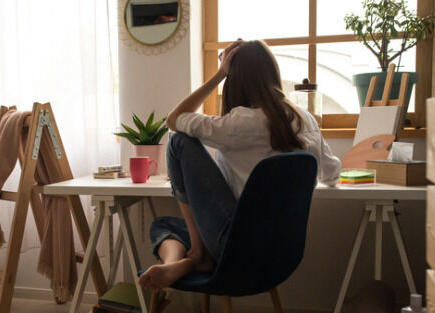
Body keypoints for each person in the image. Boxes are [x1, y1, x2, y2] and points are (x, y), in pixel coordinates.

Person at [138, 40, 341, 292]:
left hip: (236, 251)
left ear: (236, 81)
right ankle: (186, 260)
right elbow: (332, 174)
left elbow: (174, 120)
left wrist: (220, 74)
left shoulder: (240, 122)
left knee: (178, 144)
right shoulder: (305, 118)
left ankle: (195, 255)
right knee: (166, 226)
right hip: (283, 254)